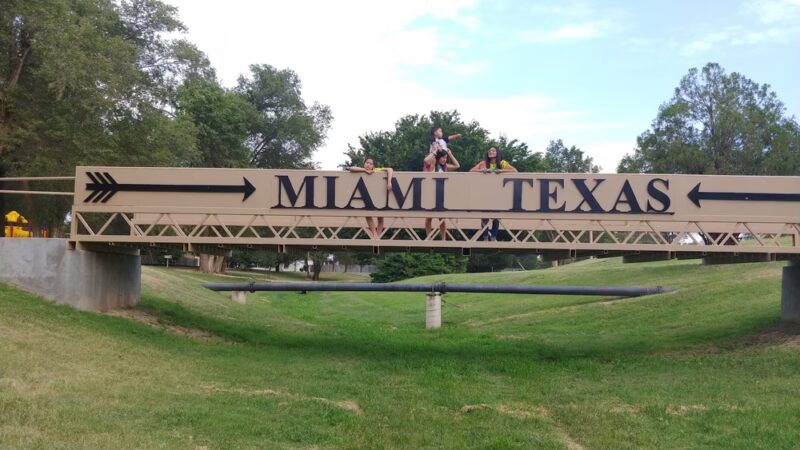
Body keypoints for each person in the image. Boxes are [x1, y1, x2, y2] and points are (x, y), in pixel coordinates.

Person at [469, 147, 517, 241]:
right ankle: (485, 236)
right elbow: (471, 171)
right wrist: (482, 171)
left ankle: (494, 237)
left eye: (493, 151)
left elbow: (515, 171)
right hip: (485, 192)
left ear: (497, 153)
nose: (491, 152)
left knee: (496, 215)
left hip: (497, 192)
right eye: (490, 151)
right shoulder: (483, 163)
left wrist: (502, 171)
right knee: (484, 215)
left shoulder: (502, 163)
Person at [349, 156, 393, 239]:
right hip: (366, 196)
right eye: (367, 163)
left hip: (377, 195)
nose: (368, 165)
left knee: (380, 216)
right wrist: (364, 170)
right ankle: (375, 234)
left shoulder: (375, 171)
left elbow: (390, 169)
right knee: (368, 215)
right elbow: (351, 168)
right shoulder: (360, 171)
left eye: (371, 164)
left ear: (373, 166)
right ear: (364, 163)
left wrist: (389, 181)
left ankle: (378, 236)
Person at [422, 149, 460, 239]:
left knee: (442, 218)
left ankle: (443, 238)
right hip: (430, 192)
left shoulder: (445, 167)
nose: (444, 160)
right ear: (438, 157)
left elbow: (457, 165)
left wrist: (450, 153)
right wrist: (434, 151)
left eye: (446, 158)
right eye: (443, 157)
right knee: (429, 217)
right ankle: (429, 238)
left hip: (440, 193)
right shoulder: (432, 163)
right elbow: (425, 160)